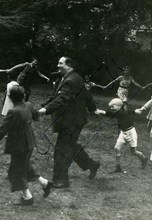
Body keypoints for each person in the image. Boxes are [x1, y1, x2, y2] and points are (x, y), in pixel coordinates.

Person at [0, 85, 52, 205]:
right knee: (25, 164)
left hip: (19, 145)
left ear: (9, 97)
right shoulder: (29, 105)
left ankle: (27, 198)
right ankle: (45, 183)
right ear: (24, 96)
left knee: (16, 170)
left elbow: (1, 130)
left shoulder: (13, 112)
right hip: (29, 143)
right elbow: (36, 116)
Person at [38, 56, 100, 189]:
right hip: (73, 120)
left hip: (71, 121)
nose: (58, 66)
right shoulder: (72, 77)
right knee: (70, 146)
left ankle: (61, 180)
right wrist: (92, 108)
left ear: (69, 65)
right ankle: (92, 165)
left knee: (62, 149)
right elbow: (84, 95)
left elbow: (62, 99)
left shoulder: (71, 80)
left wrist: (45, 110)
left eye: (60, 63)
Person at [96, 98, 147, 172]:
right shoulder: (121, 112)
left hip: (131, 133)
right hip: (123, 133)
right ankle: (118, 167)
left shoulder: (121, 113)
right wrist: (135, 111)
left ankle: (144, 159)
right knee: (117, 148)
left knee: (133, 152)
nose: (111, 108)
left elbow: (111, 114)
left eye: (112, 106)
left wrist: (101, 111)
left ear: (118, 106)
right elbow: (129, 112)